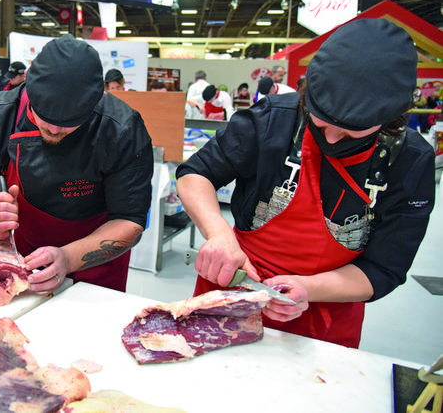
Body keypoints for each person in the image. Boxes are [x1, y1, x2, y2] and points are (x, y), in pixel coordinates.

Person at [175, 18, 435, 348]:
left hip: (322, 313)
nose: (331, 139)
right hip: (229, 292)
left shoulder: (409, 160)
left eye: (350, 132)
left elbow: (383, 269)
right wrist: (219, 233)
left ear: (391, 117)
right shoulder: (272, 119)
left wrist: (307, 289)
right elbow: (196, 174)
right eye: (321, 121)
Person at [0, 35, 153, 293]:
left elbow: (129, 220)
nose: (53, 128)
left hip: (93, 271)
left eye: (69, 121)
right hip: (21, 262)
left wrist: (68, 258)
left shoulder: (123, 129)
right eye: (44, 115)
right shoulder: (2, 111)